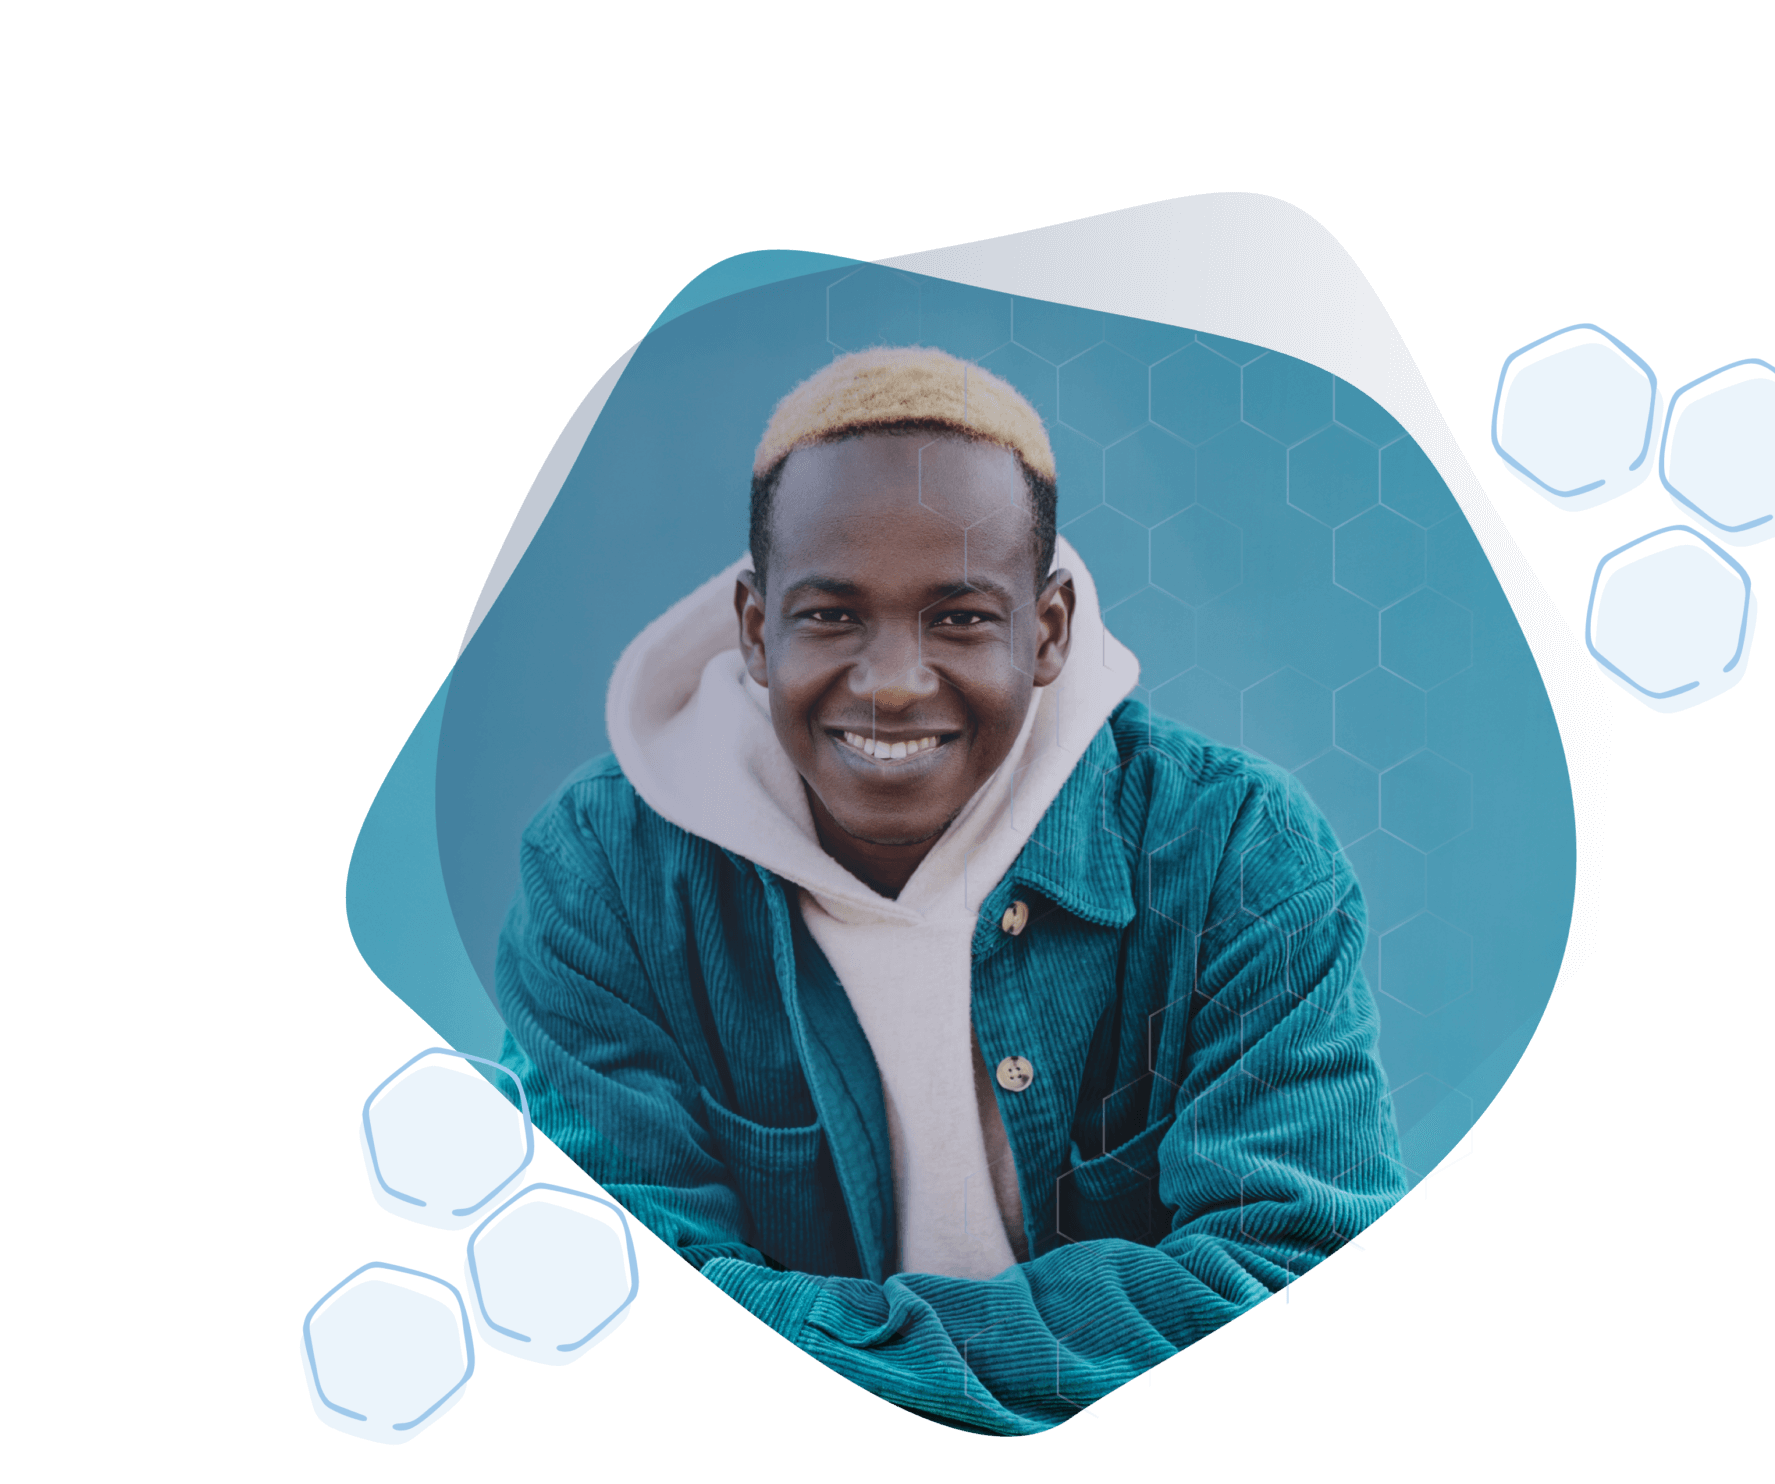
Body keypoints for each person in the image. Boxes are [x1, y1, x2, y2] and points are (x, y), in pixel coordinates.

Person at [495, 345, 1407, 1434]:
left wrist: (850, 1340)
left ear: (1051, 629)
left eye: (961, 617)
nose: (889, 682)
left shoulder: (1238, 857)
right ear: (753, 627)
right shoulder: (603, 872)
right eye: (830, 614)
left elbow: (1289, 1258)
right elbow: (597, 1279)